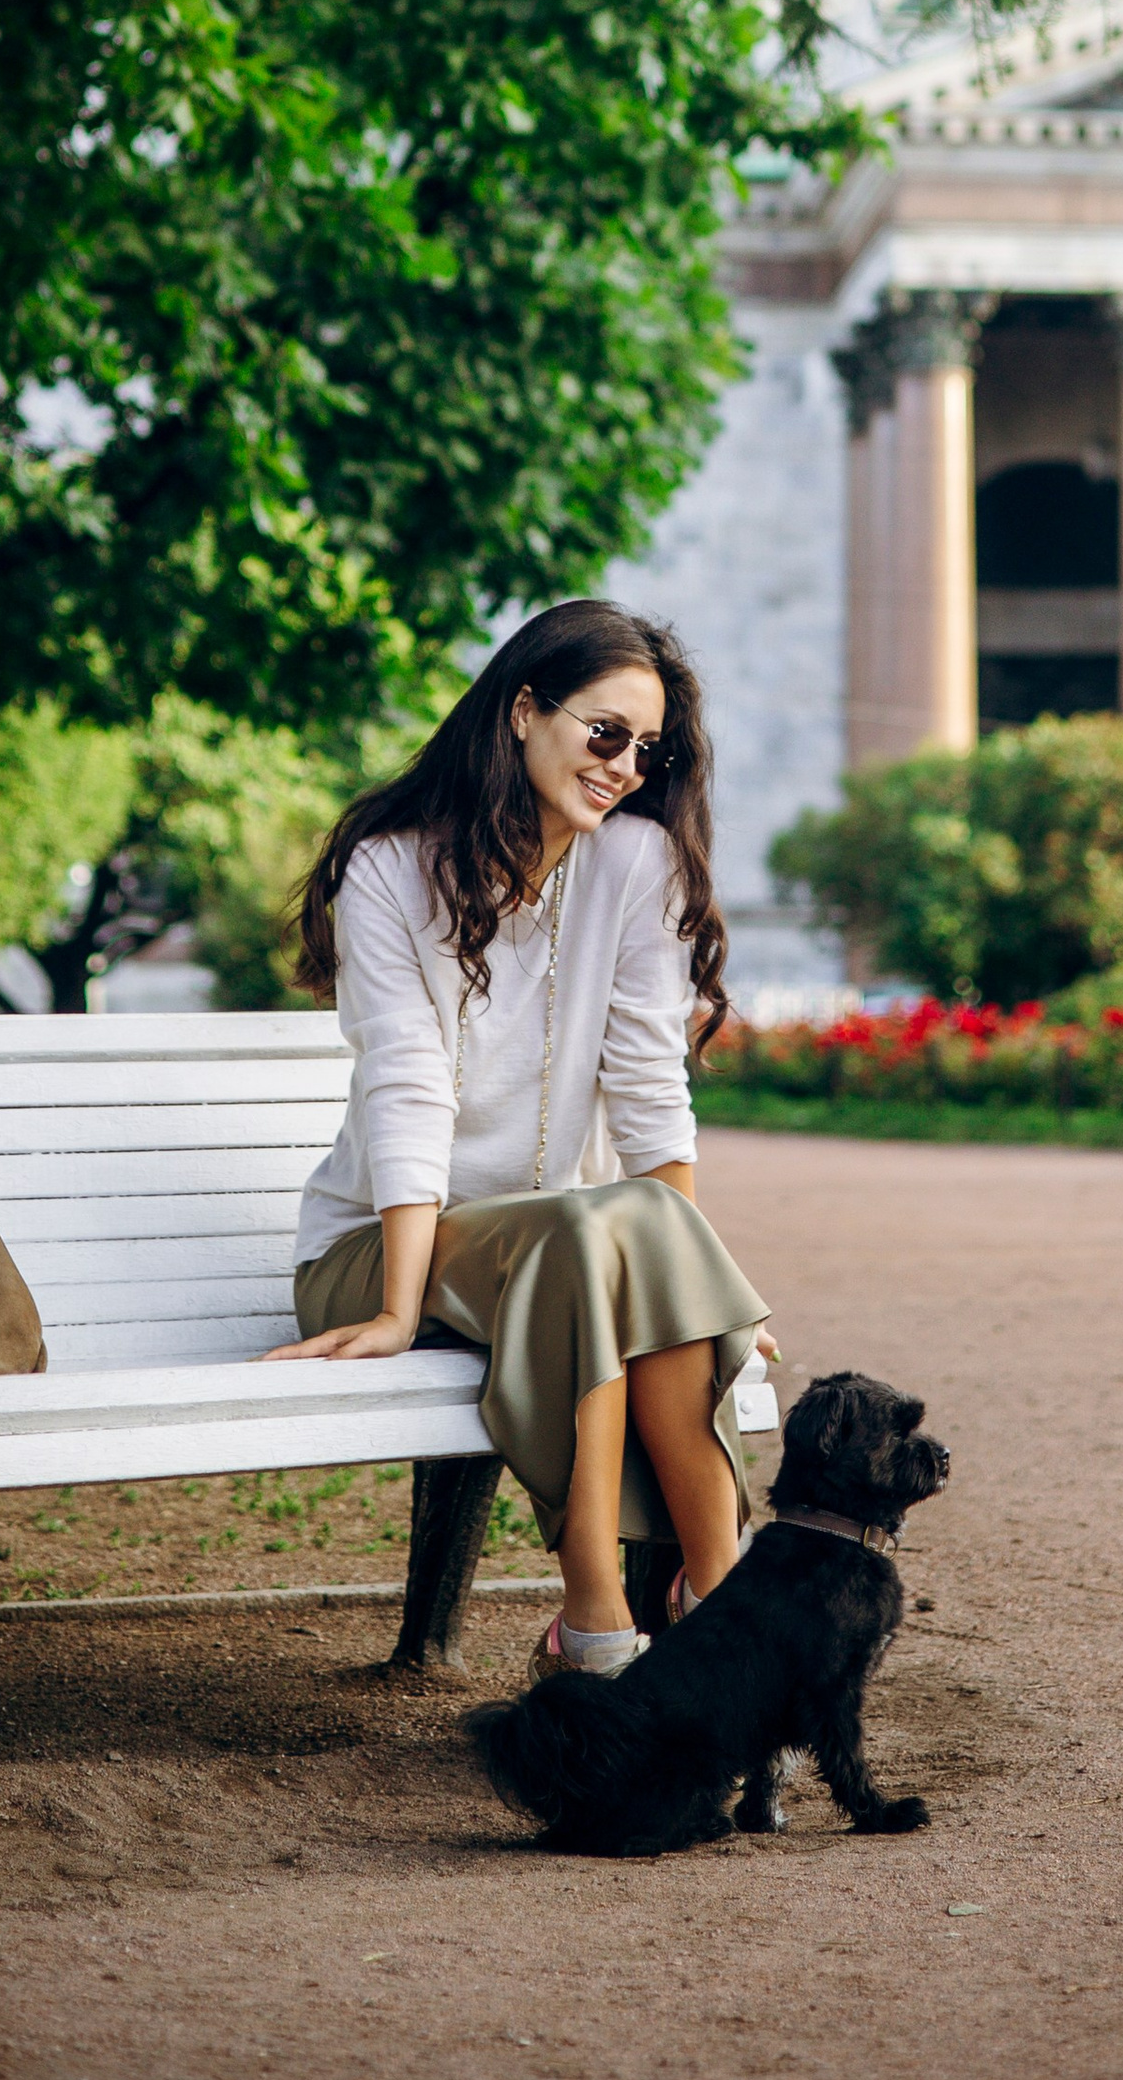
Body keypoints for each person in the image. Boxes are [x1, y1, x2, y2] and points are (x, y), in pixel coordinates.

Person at [273, 599, 772, 1675]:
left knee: (600, 1237)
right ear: (522, 711)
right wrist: (398, 1311)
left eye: (650, 750)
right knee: (585, 1241)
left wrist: (685, 1276)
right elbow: (407, 1084)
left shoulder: (636, 865)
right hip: (381, 1249)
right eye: (605, 734)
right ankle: (594, 1618)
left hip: (574, 1253)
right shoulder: (389, 868)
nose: (626, 766)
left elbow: (647, 1085)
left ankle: (718, 1610)